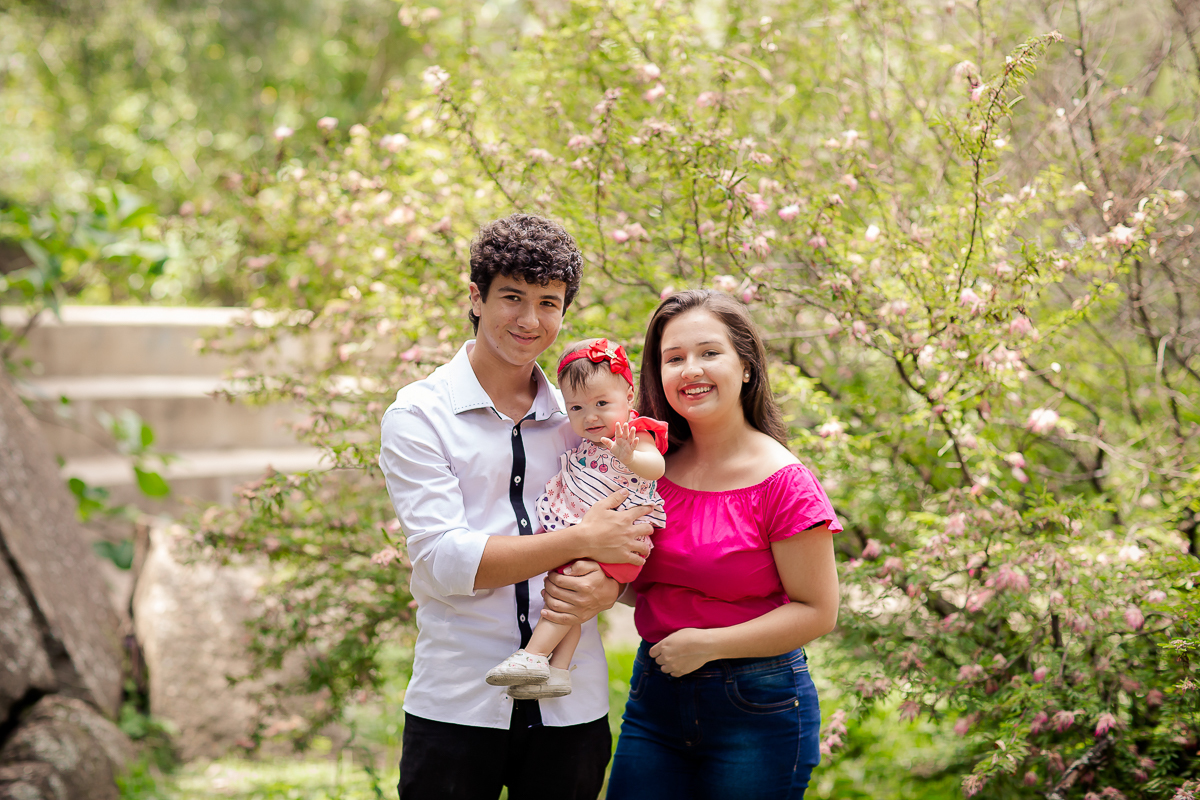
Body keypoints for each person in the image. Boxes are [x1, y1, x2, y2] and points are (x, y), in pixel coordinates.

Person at [378, 214, 652, 800]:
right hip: (457, 704)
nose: (530, 321)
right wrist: (581, 542)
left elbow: (633, 536)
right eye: (512, 297)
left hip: (571, 706)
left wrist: (611, 589)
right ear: (475, 298)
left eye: (548, 303)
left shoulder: (586, 421)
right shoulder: (418, 416)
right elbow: (444, 562)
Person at [605, 289, 843, 800]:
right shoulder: (651, 470)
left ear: (747, 366)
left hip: (757, 708)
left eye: (709, 352)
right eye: (674, 358)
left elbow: (818, 611)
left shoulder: (784, 482)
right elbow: (639, 579)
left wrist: (708, 645)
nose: (691, 369)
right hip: (655, 696)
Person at [485, 337, 668, 700]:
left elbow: (657, 467)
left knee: (566, 592)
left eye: (602, 403)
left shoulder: (633, 433)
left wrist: (631, 456)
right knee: (573, 600)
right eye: (577, 408)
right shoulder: (589, 438)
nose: (591, 416)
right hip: (591, 537)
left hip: (619, 542)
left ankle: (534, 655)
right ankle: (558, 669)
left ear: (628, 398)